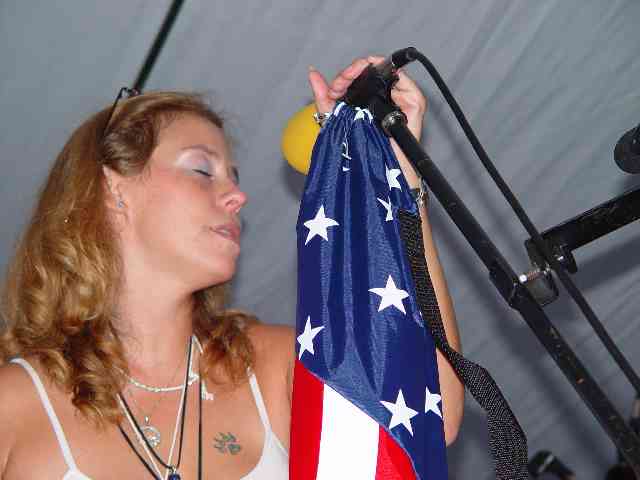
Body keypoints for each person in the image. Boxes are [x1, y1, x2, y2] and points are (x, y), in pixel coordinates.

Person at [0, 56, 463, 479]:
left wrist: (399, 177)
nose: (238, 197)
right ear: (113, 191)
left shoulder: (269, 365)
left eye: (234, 178)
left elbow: (431, 414)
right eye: (202, 171)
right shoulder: (15, 403)